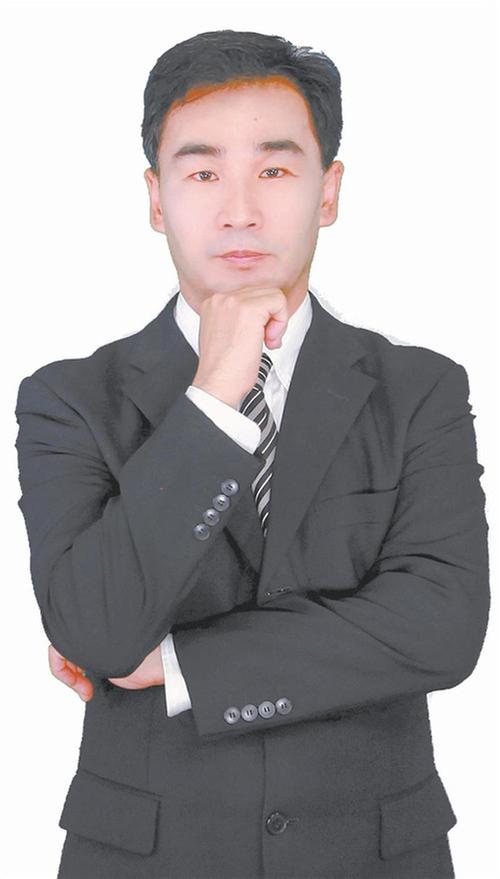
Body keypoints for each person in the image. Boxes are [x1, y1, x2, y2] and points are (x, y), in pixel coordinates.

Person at [14, 28, 489, 879]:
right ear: (156, 198)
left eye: (274, 170)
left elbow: (442, 626)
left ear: (328, 190)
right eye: (202, 174)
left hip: (376, 855)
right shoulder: (69, 400)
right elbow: (97, 629)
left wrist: (180, 662)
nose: (239, 210)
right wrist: (214, 396)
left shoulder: (420, 390)